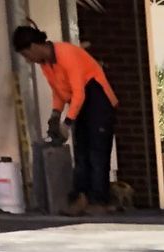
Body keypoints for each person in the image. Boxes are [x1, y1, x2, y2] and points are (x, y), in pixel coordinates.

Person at [11, 24, 118, 216]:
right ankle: (82, 198)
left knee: (97, 153)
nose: (28, 60)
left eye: (27, 55)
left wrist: (66, 123)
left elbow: (79, 92)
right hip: (82, 106)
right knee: (82, 152)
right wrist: (55, 115)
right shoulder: (46, 64)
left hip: (98, 101)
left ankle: (99, 201)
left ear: (35, 46)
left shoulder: (67, 54)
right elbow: (59, 92)